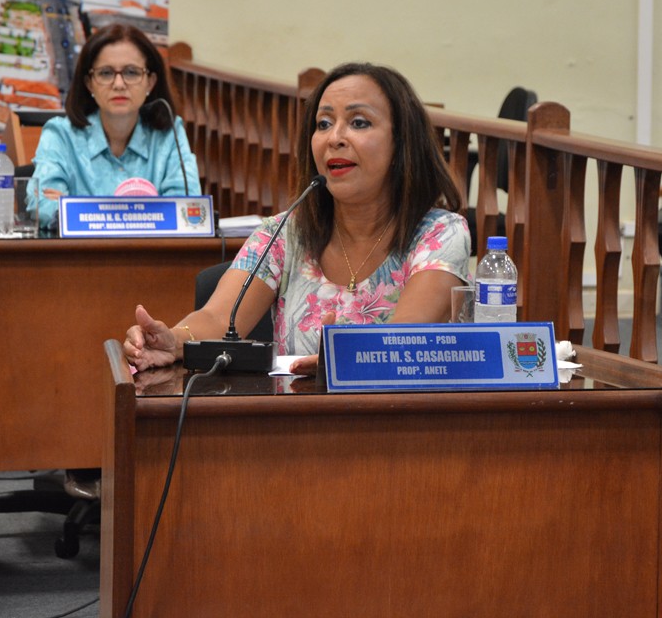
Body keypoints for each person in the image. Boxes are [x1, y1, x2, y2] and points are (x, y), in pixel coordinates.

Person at [124, 61, 471, 375]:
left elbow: (406, 337)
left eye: (359, 123)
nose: (335, 138)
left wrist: (344, 358)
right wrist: (173, 341)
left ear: (401, 143)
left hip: (398, 418)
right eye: (323, 124)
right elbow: (216, 317)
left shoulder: (440, 234)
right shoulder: (284, 233)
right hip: (296, 415)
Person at [28, 23, 200, 225]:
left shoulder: (170, 133)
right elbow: (40, 206)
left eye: (132, 72)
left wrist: (77, 208)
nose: (119, 84)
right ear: (89, 83)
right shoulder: (61, 134)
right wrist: (150, 213)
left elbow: (187, 210)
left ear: (150, 82)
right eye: (106, 73)